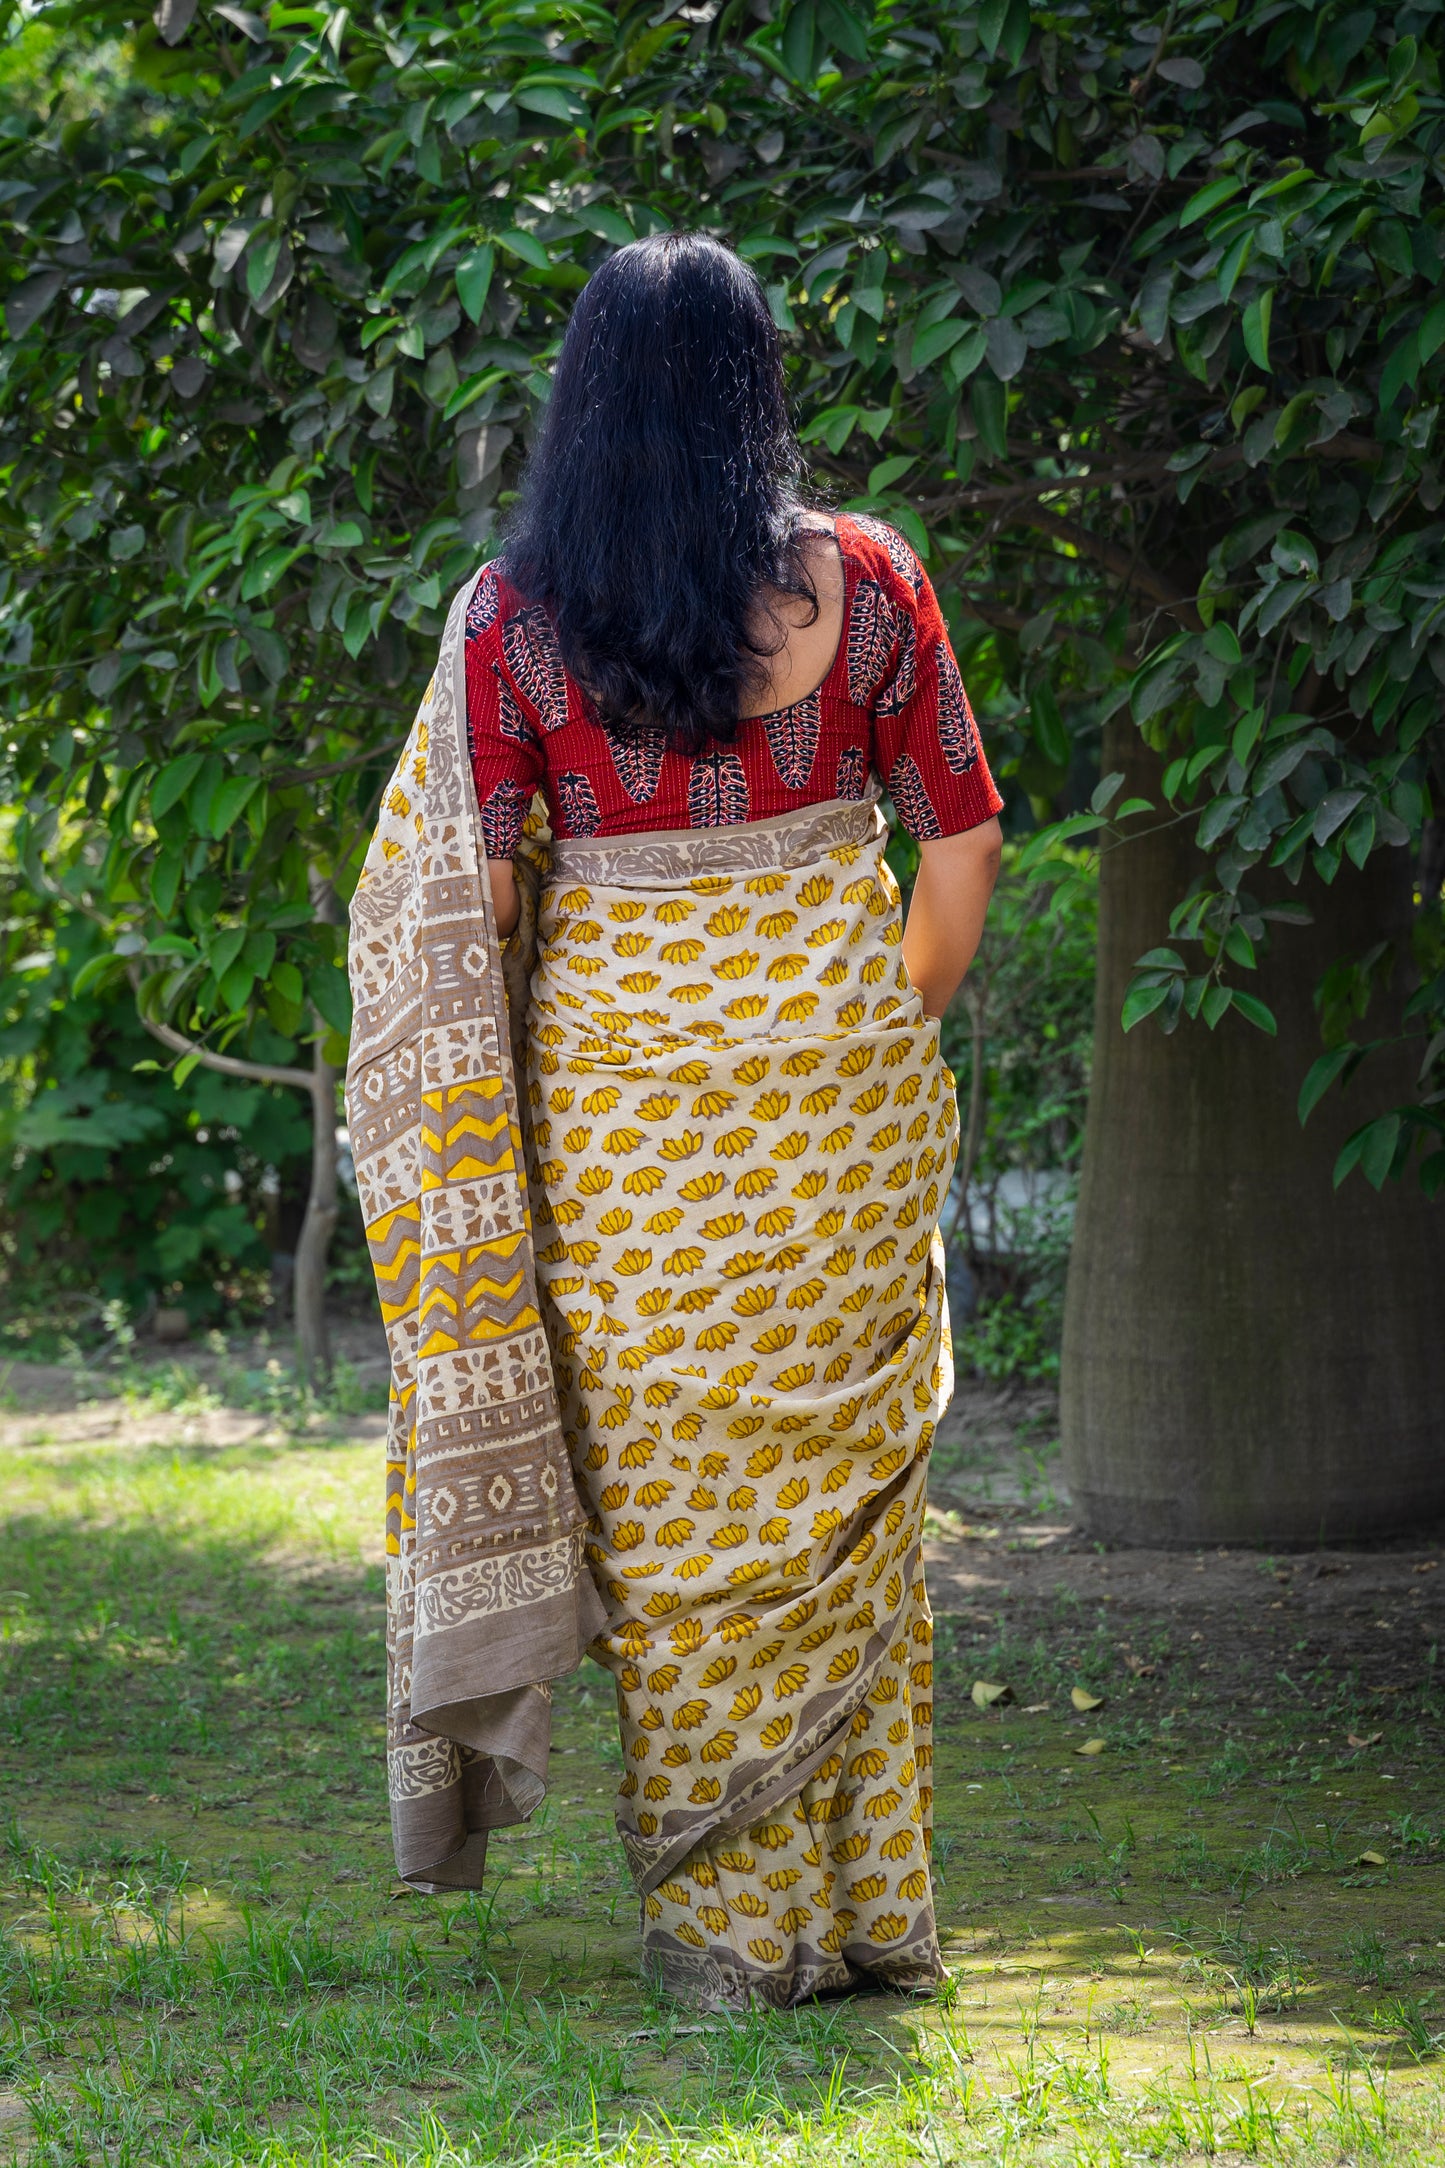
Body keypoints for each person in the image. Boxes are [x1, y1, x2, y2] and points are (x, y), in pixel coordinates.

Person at [346, 232, 1002, 2013]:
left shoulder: (512, 621)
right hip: (845, 1112)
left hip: (626, 1136)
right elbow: (959, 836)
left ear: (580, 404)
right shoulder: (870, 584)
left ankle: (728, 1937)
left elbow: (468, 908)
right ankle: (873, 1921)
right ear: (752, 387)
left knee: (678, 1528)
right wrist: (870, 1032)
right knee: (848, 1520)